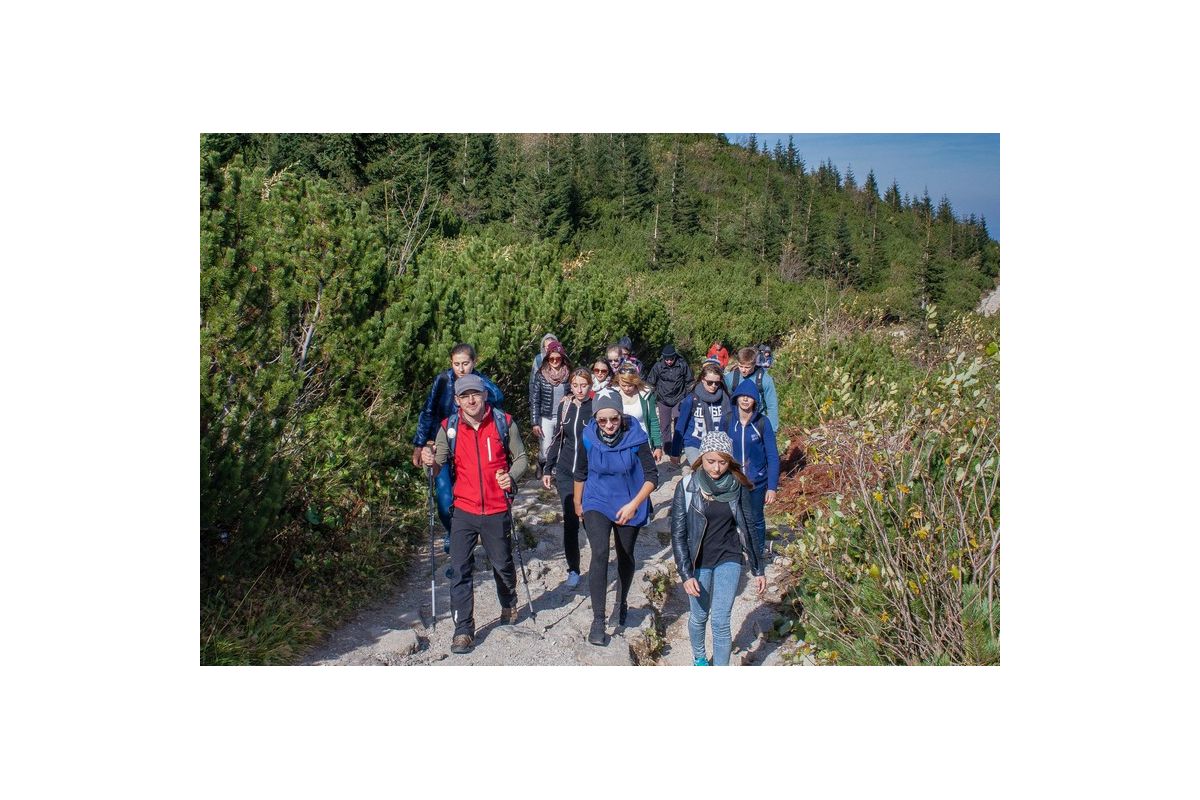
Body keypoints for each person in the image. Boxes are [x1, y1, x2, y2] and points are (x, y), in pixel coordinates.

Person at [420, 374, 529, 655]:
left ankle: (508, 602)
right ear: (457, 400)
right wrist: (429, 461)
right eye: (464, 396)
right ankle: (463, 630)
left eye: (475, 394)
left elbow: (521, 459)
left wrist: (511, 477)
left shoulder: (504, 422)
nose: (471, 400)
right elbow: (437, 465)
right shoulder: (449, 427)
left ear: (484, 396)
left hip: (496, 507)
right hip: (464, 509)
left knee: (503, 565)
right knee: (460, 569)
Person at [670, 431, 765, 666]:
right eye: (710, 461)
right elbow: (678, 534)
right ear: (701, 458)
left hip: (729, 557)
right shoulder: (687, 486)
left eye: (722, 462)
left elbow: (749, 526)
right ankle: (700, 659)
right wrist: (686, 574)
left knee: (721, 621)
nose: (716, 468)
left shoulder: (738, 485)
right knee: (699, 616)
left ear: (729, 461)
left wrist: (758, 568)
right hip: (698, 560)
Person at [574, 389, 659, 646]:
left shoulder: (636, 437)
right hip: (597, 499)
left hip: (628, 499)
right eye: (603, 420)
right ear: (595, 419)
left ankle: (621, 601)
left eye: (614, 419)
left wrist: (634, 505)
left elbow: (652, 476)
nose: (609, 425)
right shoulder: (588, 436)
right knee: (599, 552)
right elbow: (581, 472)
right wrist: (578, 503)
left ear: (621, 416)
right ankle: (598, 620)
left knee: (625, 554)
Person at [412, 343, 505, 546]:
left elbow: (498, 400)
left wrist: (482, 387)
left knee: (468, 495)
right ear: (451, 363)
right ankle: (452, 533)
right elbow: (428, 411)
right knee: (444, 498)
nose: (461, 369)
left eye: (465, 364)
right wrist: (419, 444)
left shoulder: (481, 383)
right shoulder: (443, 381)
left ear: (474, 362)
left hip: (470, 447)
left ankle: (470, 535)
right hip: (441, 443)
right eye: (456, 364)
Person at [543, 368, 594, 590]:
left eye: (584, 385)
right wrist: (548, 468)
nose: (579, 390)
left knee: (590, 519)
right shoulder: (565, 406)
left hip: (589, 474)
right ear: (570, 386)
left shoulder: (595, 408)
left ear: (590, 386)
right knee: (570, 520)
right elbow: (558, 438)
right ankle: (573, 569)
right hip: (565, 472)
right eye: (575, 385)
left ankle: (598, 563)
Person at [724, 380, 779, 561]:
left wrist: (772, 487)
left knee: (756, 518)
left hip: (757, 481)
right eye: (742, 396)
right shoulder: (728, 420)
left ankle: (758, 551)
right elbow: (719, 450)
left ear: (756, 400)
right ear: (736, 398)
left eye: (750, 397)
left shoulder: (762, 422)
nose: (746, 399)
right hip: (732, 478)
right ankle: (734, 553)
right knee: (730, 517)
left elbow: (772, 456)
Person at [670, 362, 733, 470]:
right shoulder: (691, 399)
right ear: (703, 380)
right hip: (694, 443)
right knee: (703, 471)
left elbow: (730, 423)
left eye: (717, 383)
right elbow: (680, 426)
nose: (713, 386)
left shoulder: (725, 399)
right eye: (710, 382)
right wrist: (675, 452)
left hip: (719, 444)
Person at [529, 340, 572, 476]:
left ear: (562, 358)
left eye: (557, 358)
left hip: (563, 417)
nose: (554, 361)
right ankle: (542, 464)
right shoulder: (541, 375)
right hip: (546, 417)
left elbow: (574, 392)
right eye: (551, 358)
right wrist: (535, 422)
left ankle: (554, 473)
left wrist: (570, 396)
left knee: (560, 447)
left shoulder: (569, 374)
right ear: (547, 358)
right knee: (546, 448)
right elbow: (535, 399)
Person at [645, 343, 693, 460]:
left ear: (675, 356)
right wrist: (655, 396)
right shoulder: (658, 366)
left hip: (679, 398)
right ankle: (667, 449)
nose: (669, 361)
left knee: (679, 422)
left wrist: (686, 396)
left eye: (671, 359)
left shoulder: (682, 364)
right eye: (667, 359)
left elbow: (690, 382)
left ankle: (678, 447)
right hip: (663, 399)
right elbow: (650, 383)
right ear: (663, 358)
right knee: (665, 425)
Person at [724, 346, 780, 432]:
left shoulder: (765, 379)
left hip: (758, 423)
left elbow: (772, 406)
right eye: (740, 366)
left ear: (754, 364)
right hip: (736, 424)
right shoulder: (730, 378)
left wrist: (772, 430)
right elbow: (724, 403)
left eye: (747, 367)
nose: (743, 370)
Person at [615, 363, 663, 461]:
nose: (626, 388)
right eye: (623, 385)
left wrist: (658, 446)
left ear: (636, 382)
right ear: (618, 381)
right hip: (621, 443)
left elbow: (653, 420)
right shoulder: (613, 395)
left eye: (630, 385)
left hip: (642, 441)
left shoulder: (646, 395)